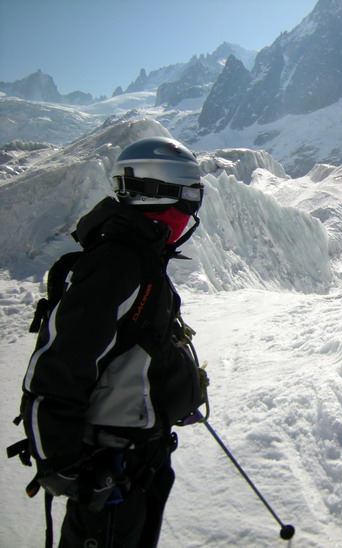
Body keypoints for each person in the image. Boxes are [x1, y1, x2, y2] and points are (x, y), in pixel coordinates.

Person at [17, 136, 206, 547]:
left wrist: (169, 396)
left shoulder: (140, 254)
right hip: (108, 470)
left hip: (139, 456)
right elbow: (60, 367)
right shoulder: (118, 263)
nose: (192, 211)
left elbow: (134, 347)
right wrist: (65, 465)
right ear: (159, 194)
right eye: (190, 196)